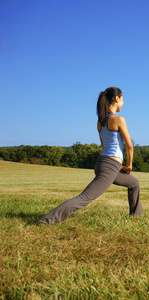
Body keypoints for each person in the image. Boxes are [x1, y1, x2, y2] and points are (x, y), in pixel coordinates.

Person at [38, 87, 142, 224]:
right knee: (84, 198)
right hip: (110, 165)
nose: (123, 103)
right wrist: (128, 165)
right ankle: (46, 221)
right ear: (117, 99)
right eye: (123, 100)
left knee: (134, 183)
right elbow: (129, 146)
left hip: (104, 163)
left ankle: (136, 218)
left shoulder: (100, 122)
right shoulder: (118, 119)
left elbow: (104, 146)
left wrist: (118, 166)